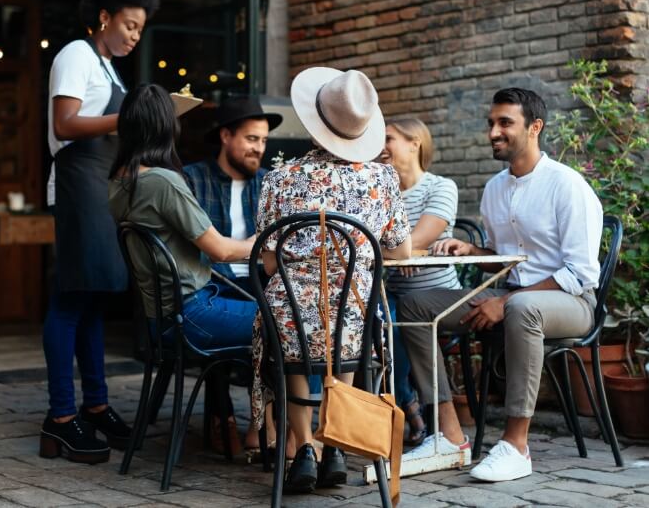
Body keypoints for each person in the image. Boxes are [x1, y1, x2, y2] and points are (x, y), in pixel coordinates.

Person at [399, 88, 603, 482]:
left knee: (521, 309)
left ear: (534, 128)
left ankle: (515, 446)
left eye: (505, 123)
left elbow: (580, 274)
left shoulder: (567, 185)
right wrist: (474, 248)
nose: (494, 131)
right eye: (491, 123)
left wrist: (507, 300)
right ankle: (448, 434)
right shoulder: (495, 188)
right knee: (416, 307)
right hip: (513, 292)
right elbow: (508, 255)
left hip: (570, 301)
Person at [252, 67, 412, 494]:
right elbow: (400, 251)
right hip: (355, 321)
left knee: (296, 326)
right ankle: (336, 442)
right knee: (344, 323)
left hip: (290, 325)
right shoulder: (382, 179)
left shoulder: (278, 179)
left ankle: (304, 447)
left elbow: (269, 263)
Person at [40, 0, 159, 464]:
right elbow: (64, 124)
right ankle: (61, 420)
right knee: (71, 297)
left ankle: (95, 405)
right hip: (76, 183)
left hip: (102, 183)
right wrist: (129, 118)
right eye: (129, 25)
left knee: (91, 299)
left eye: (139, 29)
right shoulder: (75, 55)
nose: (134, 36)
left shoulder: (109, 69)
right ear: (104, 18)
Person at [108, 83, 257, 417]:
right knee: (288, 321)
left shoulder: (118, 184)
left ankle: (247, 427)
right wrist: (258, 244)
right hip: (192, 315)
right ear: (166, 127)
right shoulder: (163, 181)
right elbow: (219, 250)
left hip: (159, 321)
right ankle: (279, 436)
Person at [183, 96, 284, 456]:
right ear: (226, 136)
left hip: (259, 281)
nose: (259, 148)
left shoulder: (269, 183)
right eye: (251, 139)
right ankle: (222, 415)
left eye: (263, 141)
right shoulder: (192, 179)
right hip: (211, 282)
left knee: (285, 314)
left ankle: (263, 423)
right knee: (249, 314)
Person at [380, 117, 461, 445]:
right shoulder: (381, 194)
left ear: (415, 143)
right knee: (370, 320)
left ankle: (406, 404)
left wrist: (407, 249)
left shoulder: (440, 187)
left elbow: (416, 241)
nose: (381, 147)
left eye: (389, 138)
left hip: (440, 297)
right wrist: (406, 250)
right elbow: (390, 248)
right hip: (394, 295)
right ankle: (399, 404)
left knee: (392, 323)